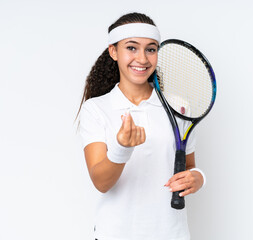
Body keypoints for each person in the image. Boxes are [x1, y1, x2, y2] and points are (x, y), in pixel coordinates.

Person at [77, 12, 206, 240]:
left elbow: (189, 166)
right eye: (132, 48)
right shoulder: (96, 109)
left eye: (151, 49)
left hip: (172, 234)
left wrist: (198, 178)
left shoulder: (179, 107)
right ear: (113, 51)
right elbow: (101, 182)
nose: (143, 59)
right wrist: (122, 148)